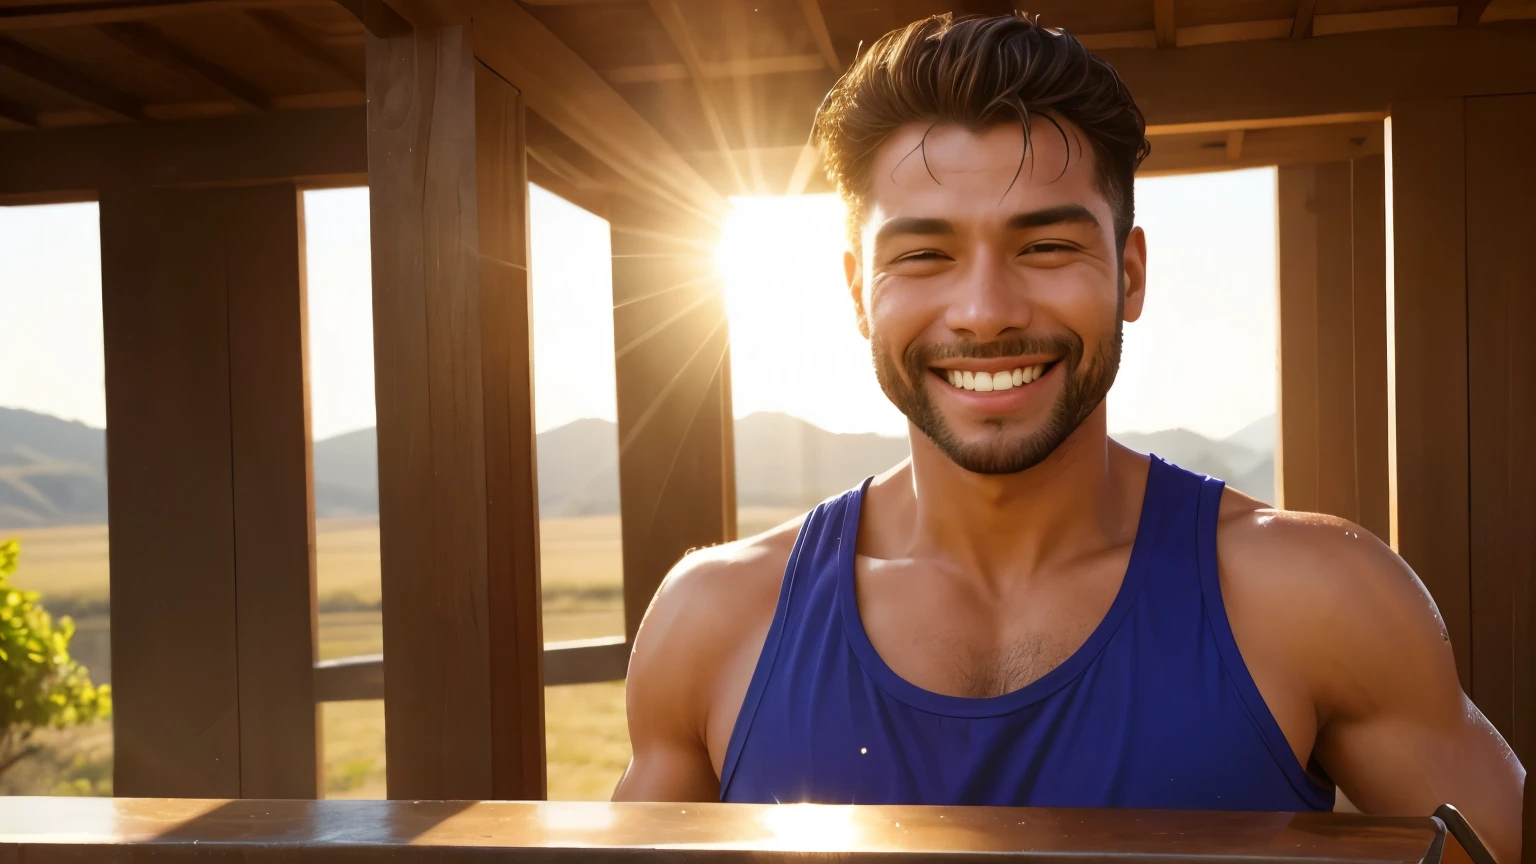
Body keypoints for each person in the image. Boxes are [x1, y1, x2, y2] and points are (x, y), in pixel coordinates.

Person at [612, 12, 1524, 862]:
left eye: (1045, 247)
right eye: (924, 254)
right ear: (858, 291)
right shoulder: (717, 619)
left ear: (1128, 273)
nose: (985, 312)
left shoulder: (1319, 597)